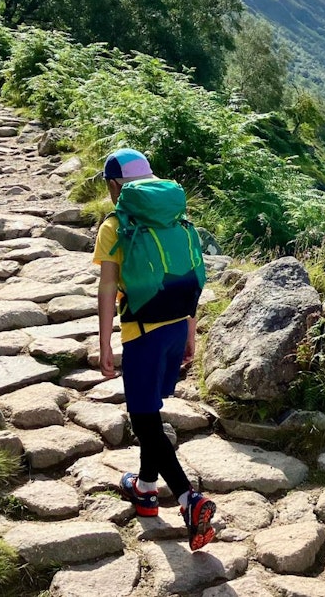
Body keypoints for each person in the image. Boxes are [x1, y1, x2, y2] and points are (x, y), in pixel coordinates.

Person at [92, 147, 216, 550]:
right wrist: (191, 333)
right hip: (177, 326)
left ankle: (187, 498)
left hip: (142, 333)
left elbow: (108, 287)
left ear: (115, 185)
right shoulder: (179, 220)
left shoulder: (115, 225)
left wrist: (105, 339)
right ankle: (146, 489)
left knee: (144, 420)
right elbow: (191, 279)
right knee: (152, 411)